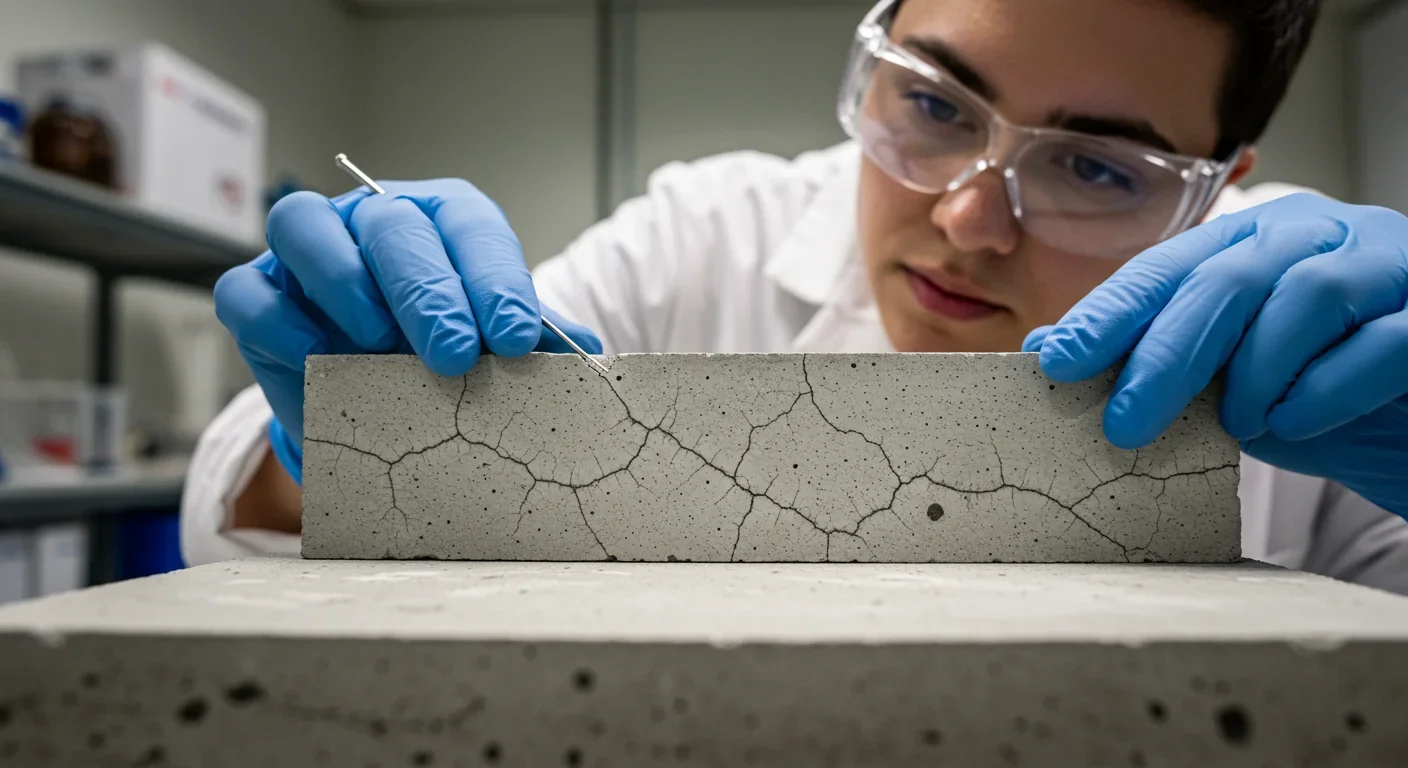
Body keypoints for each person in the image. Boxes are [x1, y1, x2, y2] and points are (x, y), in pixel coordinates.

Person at [186, 0, 1408, 591]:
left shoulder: (1301, 334)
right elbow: (239, 512)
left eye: (1094, 167)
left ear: (1221, 183)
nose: (967, 224)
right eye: (930, 105)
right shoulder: (706, 235)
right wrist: (342, 440)